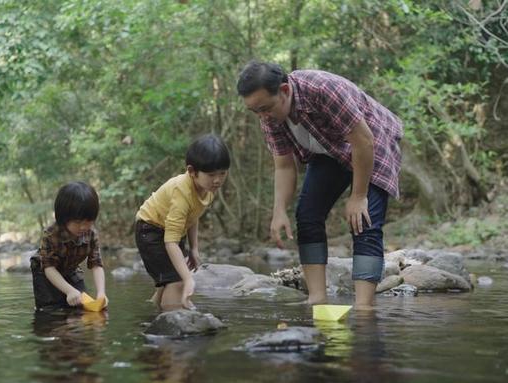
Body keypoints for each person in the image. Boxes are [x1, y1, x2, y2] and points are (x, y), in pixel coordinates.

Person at [236, 61, 403, 309]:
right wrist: (279, 210)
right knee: (307, 215)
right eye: (255, 112)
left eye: (265, 109)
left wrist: (358, 196)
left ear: (284, 90)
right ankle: (317, 298)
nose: (262, 117)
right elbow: (284, 165)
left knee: (364, 220)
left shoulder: (324, 90)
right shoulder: (269, 116)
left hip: (372, 143)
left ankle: (364, 307)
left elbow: (363, 142)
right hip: (331, 151)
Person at [135, 134, 230, 311]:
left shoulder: (207, 188)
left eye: (222, 173)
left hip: (170, 229)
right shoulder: (182, 193)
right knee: (176, 280)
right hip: (150, 229)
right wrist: (187, 279)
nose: (217, 180)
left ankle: (152, 314)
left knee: (168, 280)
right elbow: (170, 242)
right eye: (211, 175)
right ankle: (172, 322)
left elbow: (193, 218)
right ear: (192, 172)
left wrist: (194, 249)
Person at [30, 182, 107, 312]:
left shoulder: (91, 234)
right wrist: (69, 291)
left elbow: (96, 265)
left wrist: (101, 293)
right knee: (50, 309)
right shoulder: (51, 234)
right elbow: (49, 268)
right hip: (44, 271)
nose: (83, 227)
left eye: (88, 222)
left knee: (82, 304)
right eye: (77, 222)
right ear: (63, 218)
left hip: (70, 268)